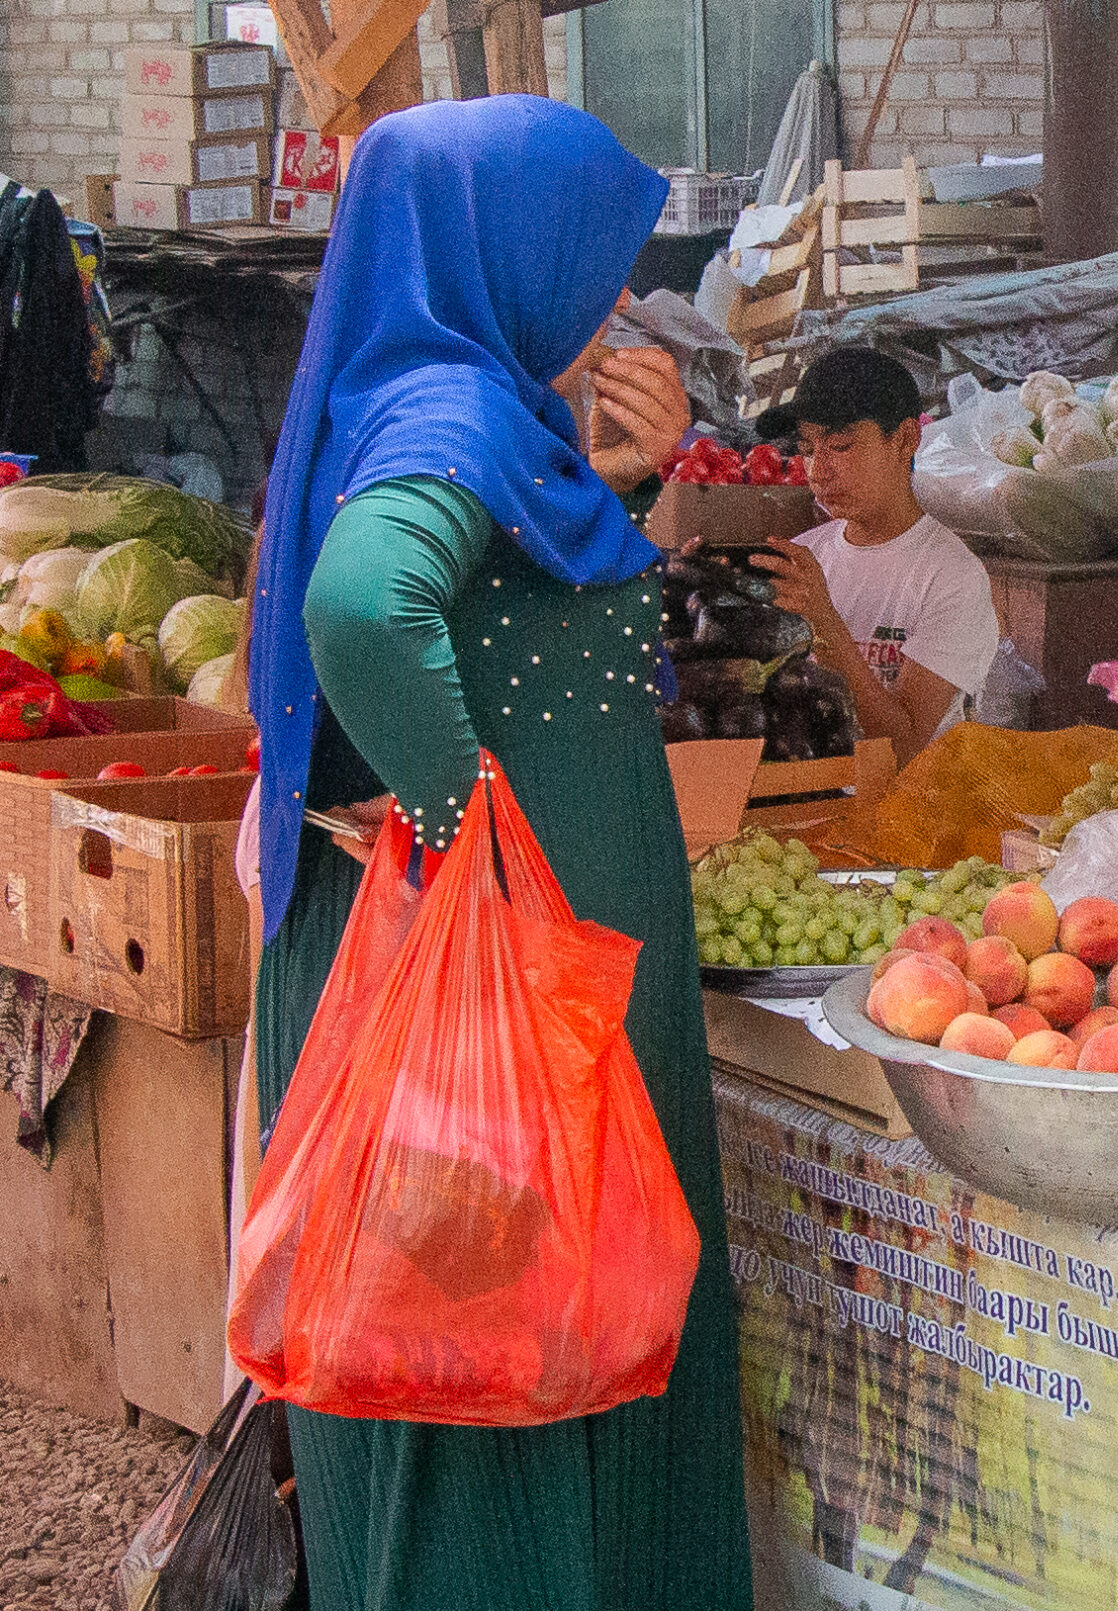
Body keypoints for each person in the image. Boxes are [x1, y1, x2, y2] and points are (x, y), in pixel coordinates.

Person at [245, 96, 750, 1610]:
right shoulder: (451, 417)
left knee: (537, 1345)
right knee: (494, 1364)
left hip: (524, 985)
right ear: (499, 254)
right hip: (496, 996)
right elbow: (362, 607)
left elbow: (522, 622)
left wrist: (624, 486)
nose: (615, 306)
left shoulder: (466, 406)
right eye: (592, 264)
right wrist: (472, 827)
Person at [744, 346, 997, 765]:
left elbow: (904, 750)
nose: (819, 470)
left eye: (841, 446)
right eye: (808, 450)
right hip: (804, 799)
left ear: (904, 440)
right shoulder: (806, 555)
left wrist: (825, 625)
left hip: (906, 812)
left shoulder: (951, 576)